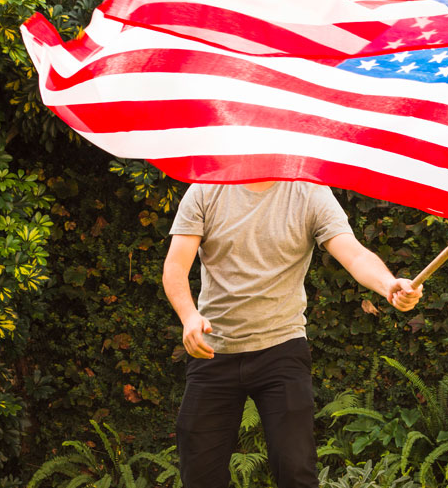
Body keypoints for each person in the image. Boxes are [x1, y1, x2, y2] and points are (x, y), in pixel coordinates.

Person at [162, 180, 423, 488]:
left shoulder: (309, 192)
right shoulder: (206, 190)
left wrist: (388, 285)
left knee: (295, 470)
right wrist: (189, 316)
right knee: (199, 475)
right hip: (213, 350)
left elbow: (353, 254)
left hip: (281, 351)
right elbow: (176, 266)